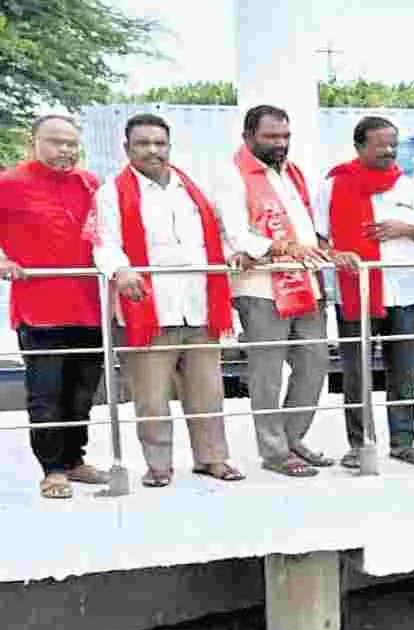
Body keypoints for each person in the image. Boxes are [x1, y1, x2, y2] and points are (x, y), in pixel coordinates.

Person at [90, 113, 244, 488]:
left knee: (208, 391)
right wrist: (121, 271)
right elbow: (105, 243)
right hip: (148, 310)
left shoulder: (192, 188)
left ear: (169, 146)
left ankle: (212, 458)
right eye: (143, 143)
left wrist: (233, 254)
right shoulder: (111, 192)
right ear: (127, 148)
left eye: (159, 143)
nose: (152, 150)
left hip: (200, 307)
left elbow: (217, 236)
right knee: (151, 398)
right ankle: (158, 465)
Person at [316, 115, 414, 469]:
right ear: (359, 146)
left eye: (393, 144)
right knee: (356, 374)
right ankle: (360, 445)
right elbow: (319, 237)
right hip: (354, 291)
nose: (389, 151)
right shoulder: (334, 185)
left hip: (405, 292)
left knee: (402, 374)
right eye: (380, 145)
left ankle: (404, 443)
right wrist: (335, 255)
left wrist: (407, 229)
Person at [215, 105, 333, 478]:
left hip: (305, 283)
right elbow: (237, 233)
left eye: (285, 136)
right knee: (267, 373)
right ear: (248, 136)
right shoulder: (231, 175)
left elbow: (306, 228)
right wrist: (284, 248)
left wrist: (321, 250)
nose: (280, 144)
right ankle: (274, 451)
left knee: (315, 362)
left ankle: (292, 438)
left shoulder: (292, 172)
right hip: (261, 287)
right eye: (271, 137)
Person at [0, 115, 106, 499]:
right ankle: (52, 469)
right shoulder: (10, 183)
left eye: (71, 143)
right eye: (55, 141)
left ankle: (75, 460)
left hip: (90, 307)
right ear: (34, 143)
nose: (65, 150)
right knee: (46, 394)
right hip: (39, 310)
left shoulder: (90, 184)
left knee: (82, 393)